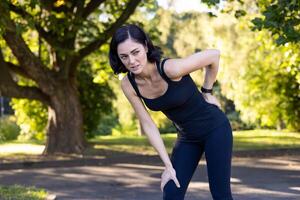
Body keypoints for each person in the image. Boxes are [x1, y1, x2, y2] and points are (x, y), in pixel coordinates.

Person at [109, 24, 233, 200]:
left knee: (220, 194)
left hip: (215, 129)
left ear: (145, 46)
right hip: (187, 137)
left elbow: (214, 55)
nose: (131, 61)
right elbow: (148, 124)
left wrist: (207, 91)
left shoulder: (170, 68)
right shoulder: (129, 85)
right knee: (172, 192)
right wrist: (168, 166)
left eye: (135, 52)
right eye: (124, 56)